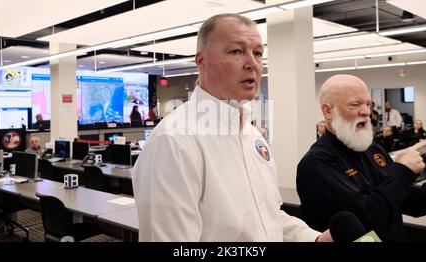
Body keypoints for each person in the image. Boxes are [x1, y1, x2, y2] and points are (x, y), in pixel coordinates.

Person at [133, 13, 331, 242]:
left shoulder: (252, 136)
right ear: (201, 61)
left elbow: (266, 217)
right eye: (236, 51)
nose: (252, 63)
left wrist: (313, 239)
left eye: (258, 53)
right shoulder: (174, 141)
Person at [296, 74, 426, 241]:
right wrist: (401, 171)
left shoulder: (373, 150)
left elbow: (414, 203)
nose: (366, 112)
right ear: (328, 111)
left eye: (368, 104)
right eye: (355, 104)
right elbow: (368, 219)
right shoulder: (315, 165)